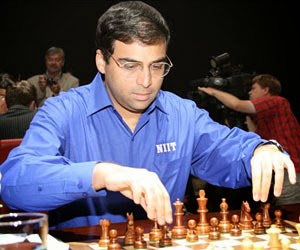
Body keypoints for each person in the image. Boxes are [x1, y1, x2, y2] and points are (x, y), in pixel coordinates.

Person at [0, 1, 296, 229]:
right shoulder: (62, 110)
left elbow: (227, 147)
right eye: (130, 65)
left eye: (157, 66)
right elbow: (14, 183)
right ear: (102, 61)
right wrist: (102, 173)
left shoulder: (181, 113)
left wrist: (261, 149)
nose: (146, 81)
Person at [198, 73, 300, 205]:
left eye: (254, 88)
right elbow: (255, 137)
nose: (250, 92)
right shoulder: (264, 116)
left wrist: (213, 91)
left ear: (266, 90)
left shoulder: (277, 101)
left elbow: (237, 105)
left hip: (291, 171)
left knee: (290, 213)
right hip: (278, 171)